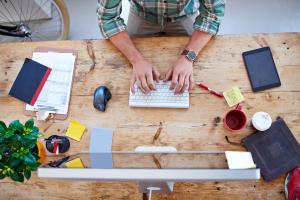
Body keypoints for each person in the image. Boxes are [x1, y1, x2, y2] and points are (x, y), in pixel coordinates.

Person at [97, 0, 225, 94]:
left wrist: (188, 57)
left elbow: (211, 15)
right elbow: (108, 19)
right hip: (142, 15)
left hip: (184, 14)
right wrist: (136, 60)